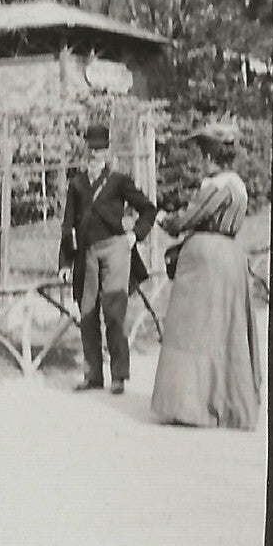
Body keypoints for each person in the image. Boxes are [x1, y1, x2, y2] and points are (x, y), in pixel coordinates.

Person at [149, 122, 263, 429]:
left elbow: (187, 219)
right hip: (233, 257)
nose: (201, 162)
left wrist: (163, 219)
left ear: (210, 158)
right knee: (227, 330)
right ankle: (229, 403)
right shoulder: (239, 186)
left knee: (193, 329)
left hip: (205, 259)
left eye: (202, 155)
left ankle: (192, 406)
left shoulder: (215, 186)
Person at [59, 122, 158, 395]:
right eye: (91, 149)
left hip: (116, 249)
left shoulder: (118, 181)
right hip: (87, 253)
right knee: (87, 311)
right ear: (84, 149)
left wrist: (134, 236)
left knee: (114, 312)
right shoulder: (76, 184)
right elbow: (68, 225)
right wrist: (65, 263)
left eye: (100, 149)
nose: (95, 154)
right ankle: (92, 375)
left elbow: (148, 210)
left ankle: (119, 376)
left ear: (108, 151)